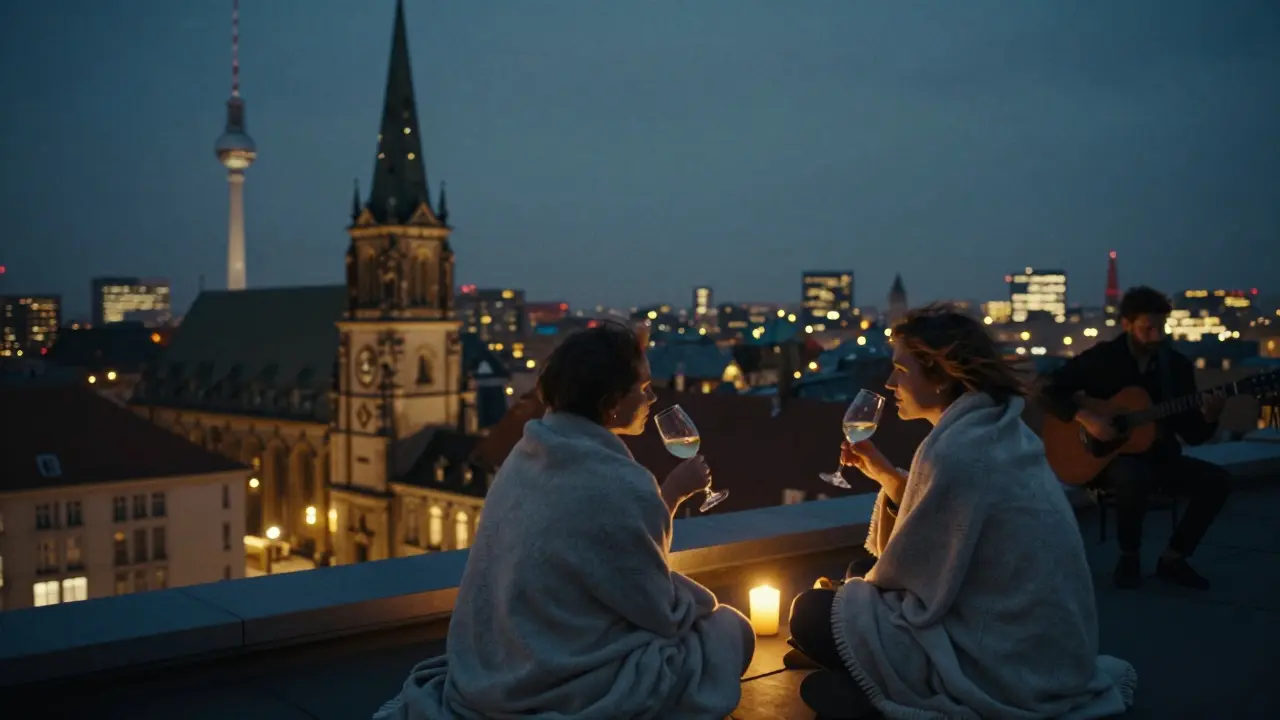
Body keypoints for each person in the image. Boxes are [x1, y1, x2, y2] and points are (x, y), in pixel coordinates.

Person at [373, 323, 755, 720]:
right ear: (610, 404)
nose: (652, 397)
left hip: (497, 666)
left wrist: (670, 496)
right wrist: (696, 598)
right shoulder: (622, 482)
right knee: (730, 631)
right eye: (642, 388)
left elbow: (606, 555)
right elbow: (660, 611)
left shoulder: (526, 455)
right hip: (561, 675)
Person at [788, 304, 1136, 719]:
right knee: (857, 573)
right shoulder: (999, 431)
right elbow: (946, 534)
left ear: (940, 376)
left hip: (999, 662)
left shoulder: (957, 453)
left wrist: (849, 595)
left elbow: (911, 577)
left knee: (811, 611)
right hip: (1047, 647)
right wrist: (888, 477)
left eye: (901, 370)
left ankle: (884, 694)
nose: (889, 382)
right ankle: (857, 678)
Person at [1041, 286, 1230, 590]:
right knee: (1132, 473)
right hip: (1103, 460)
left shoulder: (1176, 367)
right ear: (1127, 324)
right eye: (1148, 328)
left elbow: (1193, 434)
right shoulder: (1103, 358)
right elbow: (1046, 389)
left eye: (1162, 327)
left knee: (1218, 481)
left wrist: (1210, 415)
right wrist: (1087, 418)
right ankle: (1129, 556)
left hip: (1159, 457)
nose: (1157, 336)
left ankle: (1174, 557)